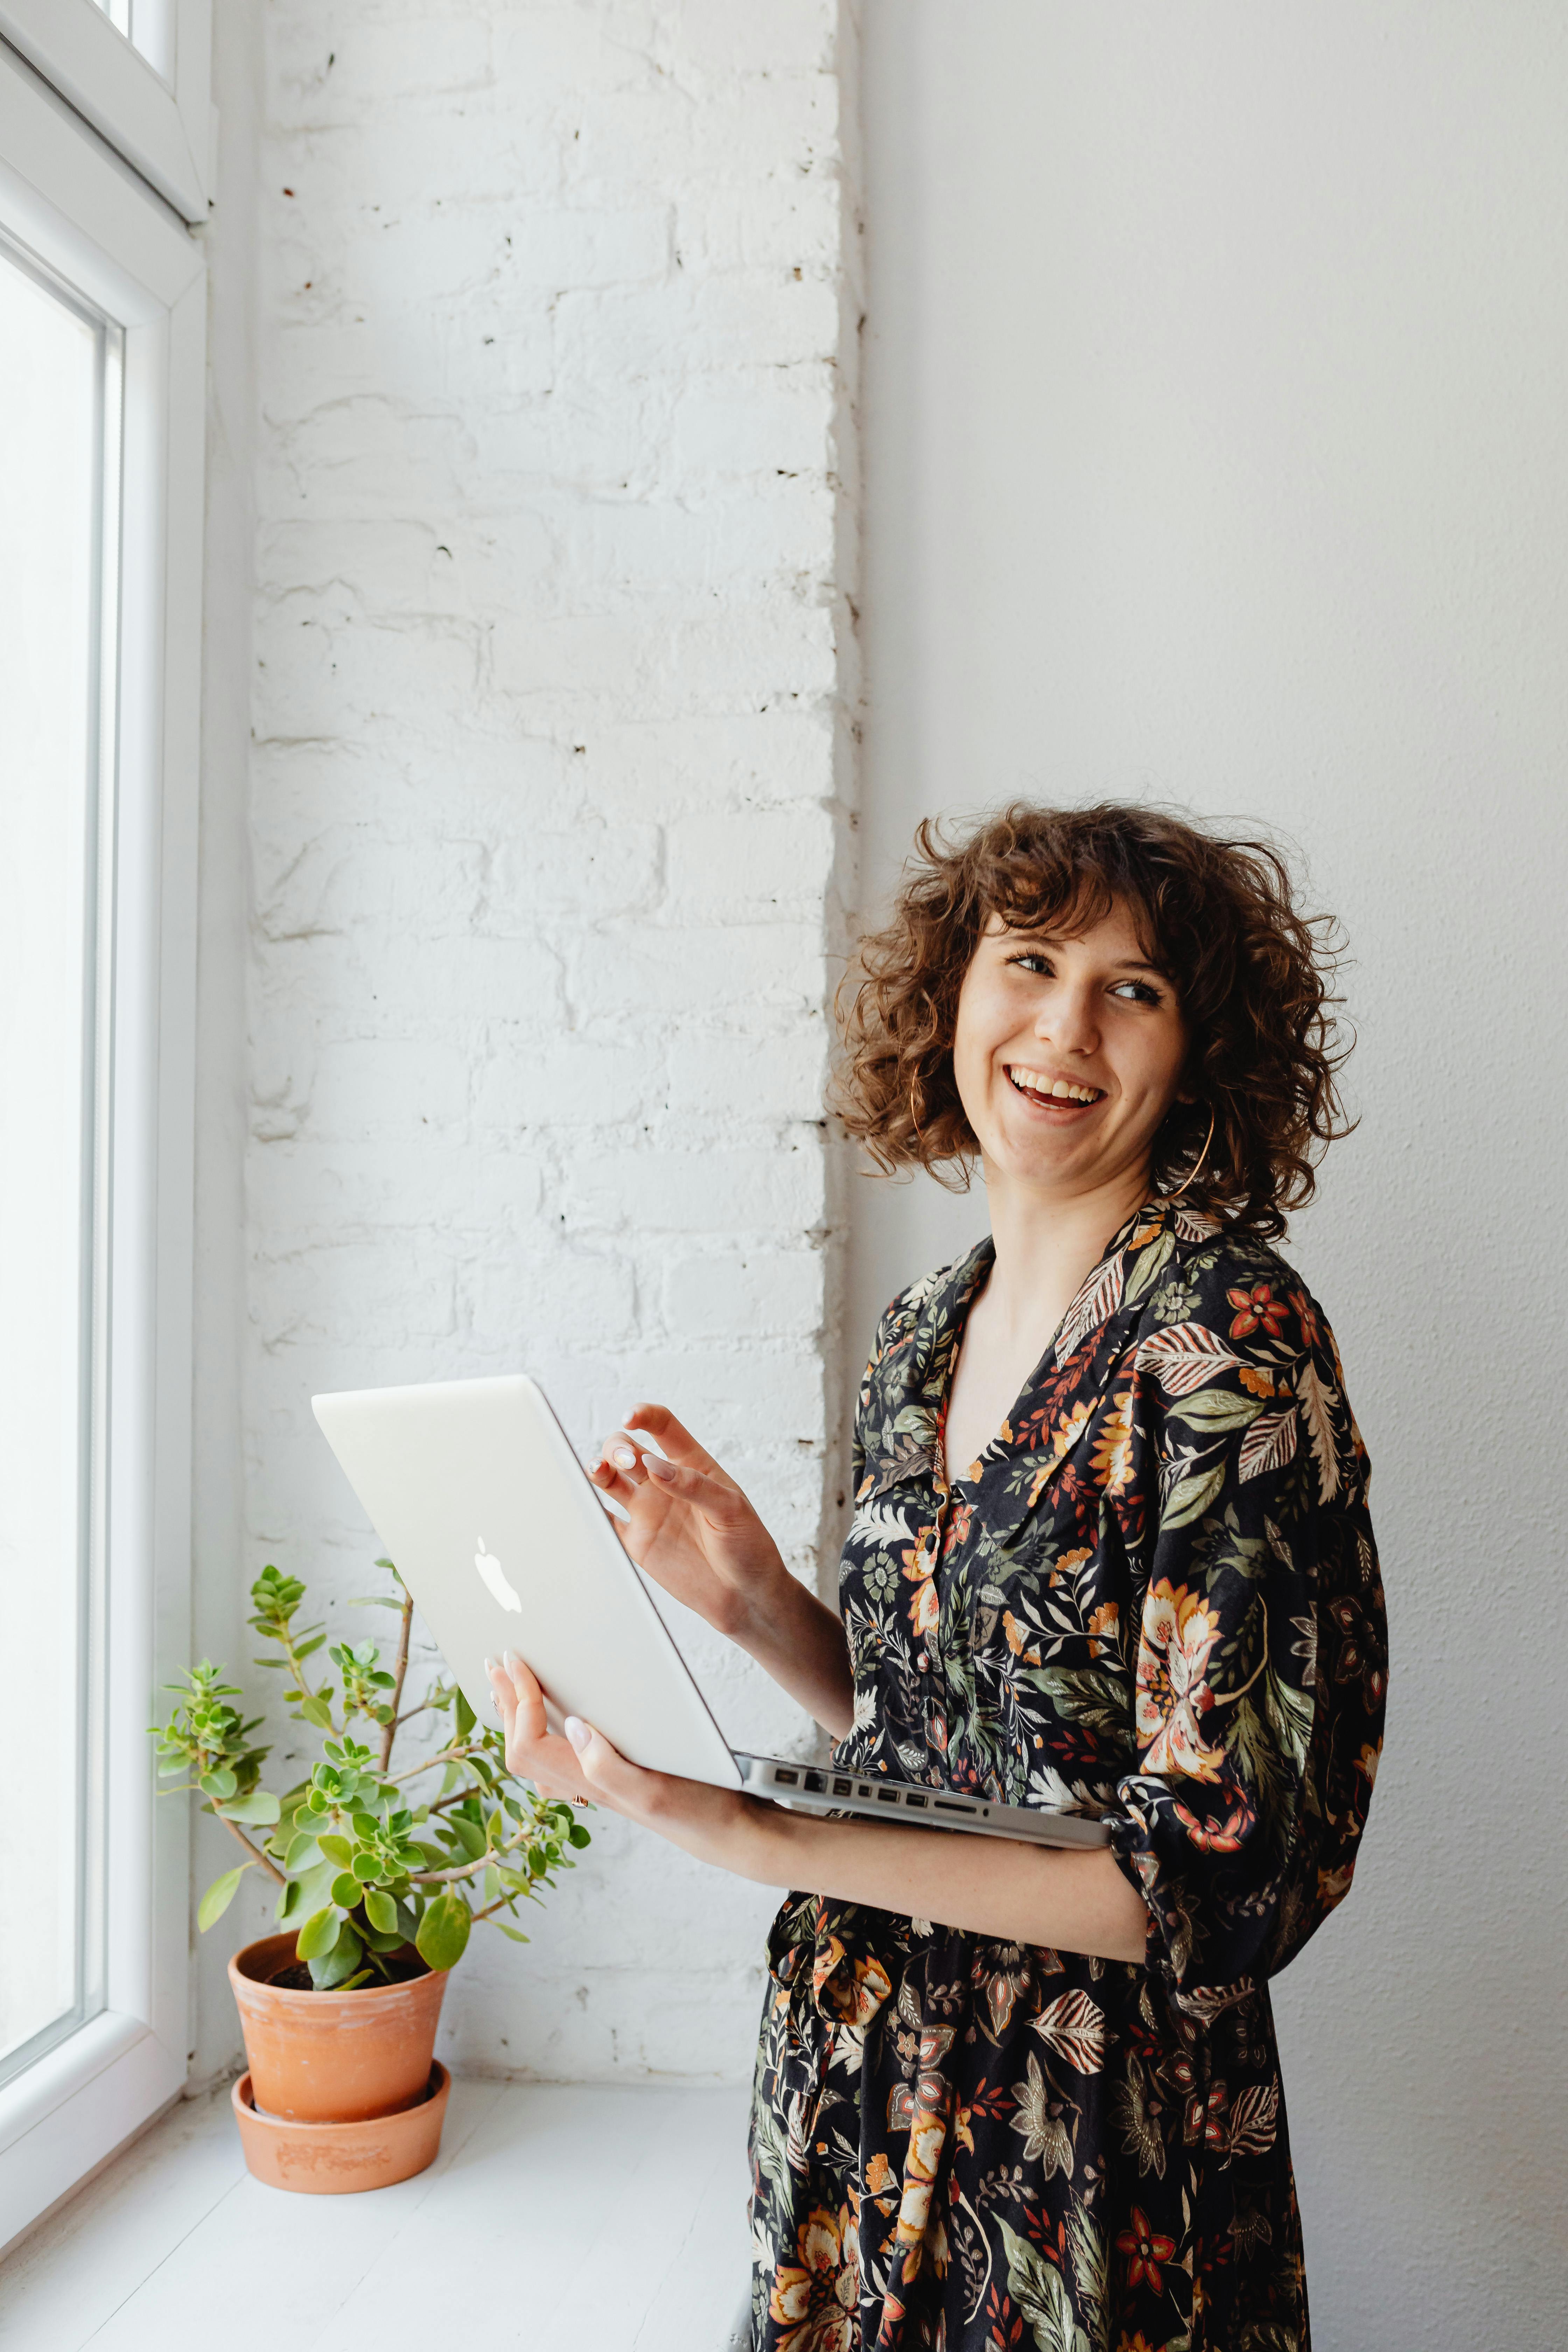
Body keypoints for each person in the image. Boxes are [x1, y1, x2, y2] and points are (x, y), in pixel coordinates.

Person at [489, 802, 1387, 2352]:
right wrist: (759, 1602)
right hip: (856, 2088)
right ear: (951, 996)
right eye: (1027, 962)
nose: (1062, 1028)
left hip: (1088, 2145)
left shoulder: (1229, 1344)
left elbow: (1221, 1883)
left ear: (1198, 1050)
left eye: (1134, 988)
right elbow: (955, 1751)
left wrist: (738, 1826)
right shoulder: (921, 1335)